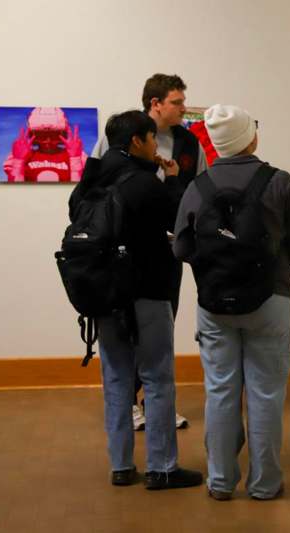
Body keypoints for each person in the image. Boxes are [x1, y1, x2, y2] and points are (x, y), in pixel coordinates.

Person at [173, 104, 290, 501]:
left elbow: (181, 247)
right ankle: (264, 484)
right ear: (250, 138)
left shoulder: (198, 186)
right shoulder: (280, 183)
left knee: (220, 392)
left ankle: (221, 482)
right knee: (265, 394)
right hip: (270, 301)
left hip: (213, 305)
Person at [77, 110, 202, 489]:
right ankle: (162, 468)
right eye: (151, 140)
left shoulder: (93, 179)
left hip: (105, 294)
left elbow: (74, 211)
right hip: (148, 291)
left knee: (115, 377)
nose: (155, 146)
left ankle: (120, 465)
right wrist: (176, 181)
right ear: (137, 142)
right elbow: (179, 219)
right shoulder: (145, 183)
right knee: (157, 377)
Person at [93, 73, 206, 430]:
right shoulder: (119, 140)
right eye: (176, 102)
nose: (183, 108)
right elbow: (93, 190)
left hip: (168, 252)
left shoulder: (189, 144)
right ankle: (127, 403)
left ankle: (156, 402)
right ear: (155, 104)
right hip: (122, 256)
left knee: (160, 328)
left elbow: (201, 191)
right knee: (124, 329)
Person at [4, 107, 88, 182]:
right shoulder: (21, 156)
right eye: (41, 135)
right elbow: (15, 187)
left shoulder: (79, 157)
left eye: (54, 135)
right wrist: (18, 161)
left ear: (64, 135)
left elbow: (79, 190)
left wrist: (75, 159)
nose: (48, 141)